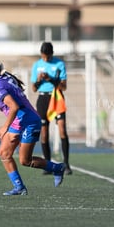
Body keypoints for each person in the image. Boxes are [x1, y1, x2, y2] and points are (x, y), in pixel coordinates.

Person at [0, 59, 65, 196]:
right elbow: (5, 99)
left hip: (28, 122)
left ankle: (57, 168)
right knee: (5, 153)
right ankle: (20, 187)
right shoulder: (2, 79)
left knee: (25, 160)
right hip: (20, 121)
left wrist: (6, 126)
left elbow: (14, 106)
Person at [30, 42, 72, 175]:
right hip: (43, 99)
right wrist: (38, 80)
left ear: (51, 54)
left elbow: (63, 87)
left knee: (62, 130)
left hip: (56, 98)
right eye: (43, 57)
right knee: (44, 132)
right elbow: (34, 88)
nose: (45, 59)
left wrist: (50, 79)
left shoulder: (59, 64)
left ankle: (66, 164)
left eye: (47, 57)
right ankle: (47, 164)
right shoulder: (37, 65)